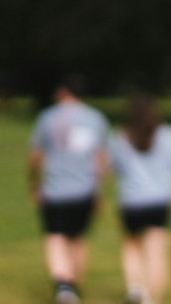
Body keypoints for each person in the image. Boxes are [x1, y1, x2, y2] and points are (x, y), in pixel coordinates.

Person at [28, 78, 109, 304]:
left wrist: (34, 183)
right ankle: (74, 284)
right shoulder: (95, 118)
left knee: (55, 237)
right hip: (84, 189)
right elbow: (100, 159)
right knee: (77, 239)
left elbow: (36, 156)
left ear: (63, 92)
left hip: (54, 189)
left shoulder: (47, 117)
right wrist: (99, 190)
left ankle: (63, 285)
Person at [109, 93, 171, 304]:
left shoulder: (121, 137)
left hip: (131, 201)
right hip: (161, 201)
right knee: (156, 253)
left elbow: (113, 168)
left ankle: (136, 287)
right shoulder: (168, 135)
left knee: (131, 246)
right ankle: (152, 299)